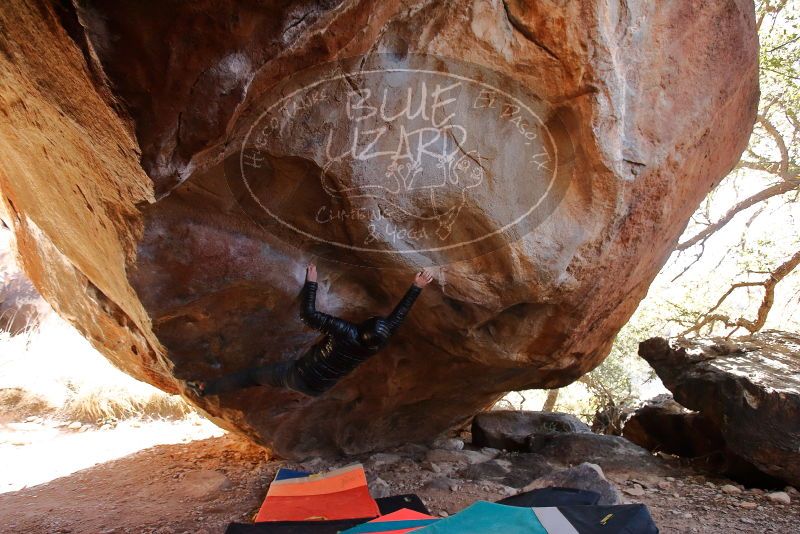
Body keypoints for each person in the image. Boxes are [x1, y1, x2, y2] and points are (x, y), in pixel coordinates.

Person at [186, 263, 434, 398]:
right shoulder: (376, 343)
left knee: (252, 376)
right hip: (319, 389)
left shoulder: (346, 331)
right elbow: (398, 316)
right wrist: (417, 286)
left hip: (298, 376)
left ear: (363, 325)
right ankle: (208, 389)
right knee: (263, 380)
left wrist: (311, 283)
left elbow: (309, 316)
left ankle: (205, 389)